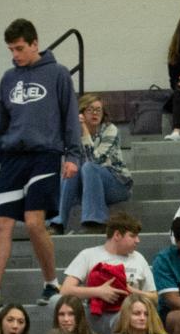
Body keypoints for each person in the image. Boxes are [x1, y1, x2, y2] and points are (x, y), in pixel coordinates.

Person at [0, 18, 80, 321]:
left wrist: (73, 156)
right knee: (1, 225)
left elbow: (70, 116)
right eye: (10, 49)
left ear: (35, 43)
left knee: (34, 223)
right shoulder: (8, 78)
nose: (15, 54)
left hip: (45, 155)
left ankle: (51, 284)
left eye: (19, 48)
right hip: (12, 158)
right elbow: (0, 123)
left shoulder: (58, 74)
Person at [59, 212, 156, 334]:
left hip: (129, 312)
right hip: (97, 312)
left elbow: (154, 297)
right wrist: (98, 291)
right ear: (117, 235)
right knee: (55, 301)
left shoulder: (138, 258)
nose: (138, 240)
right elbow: (65, 290)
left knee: (125, 318)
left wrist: (132, 291)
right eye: (132, 236)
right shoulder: (89, 255)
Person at [52, 94, 132, 234]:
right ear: (81, 113)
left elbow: (95, 161)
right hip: (87, 187)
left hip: (117, 185)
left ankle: (96, 222)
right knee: (71, 168)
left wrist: (85, 132)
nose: (95, 113)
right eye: (90, 110)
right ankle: (57, 223)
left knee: (89, 167)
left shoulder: (110, 129)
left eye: (98, 110)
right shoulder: (73, 134)